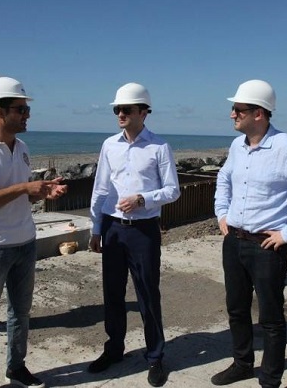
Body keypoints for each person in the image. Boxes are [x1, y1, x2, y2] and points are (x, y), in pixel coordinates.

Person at [212, 79, 287, 388]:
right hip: (234, 241)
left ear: (259, 113)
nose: (232, 114)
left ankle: (269, 379)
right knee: (236, 309)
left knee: (271, 317)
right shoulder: (237, 146)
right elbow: (224, 178)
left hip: (266, 247)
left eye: (238, 109)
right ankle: (242, 364)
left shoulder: (286, 148)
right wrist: (222, 213)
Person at [0, 77, 67, 388]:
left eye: (26, 109)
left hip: (25, 242)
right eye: (21, 109)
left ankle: (16, 369)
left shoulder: (21, 148)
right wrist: (24, 187)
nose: (27, 114)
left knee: (21, 313)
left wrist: (42, 192)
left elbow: (23, 196)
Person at [88, 82, 180, 387]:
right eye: (117, 109)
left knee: (148, 294)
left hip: (143, 231)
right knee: (112, 293)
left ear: (144, 112)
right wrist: (96, 228)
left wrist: (143, 199)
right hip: (113, 228)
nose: (120, 114)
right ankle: (114, 349)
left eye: (126, 109)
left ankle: (155, 357)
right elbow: (100, 188)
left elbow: (173, 190)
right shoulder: (109, 145)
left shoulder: (159, 147)